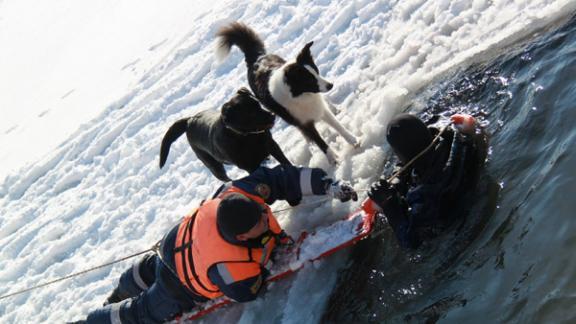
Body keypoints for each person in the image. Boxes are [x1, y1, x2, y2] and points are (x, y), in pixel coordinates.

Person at [73, 165, 357, 324]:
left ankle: (120, 290)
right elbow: (247, 292)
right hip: (179, 286)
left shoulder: (238, 192)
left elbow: (281, 179)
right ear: (243, 237)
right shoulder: (228, 265)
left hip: (175, 245)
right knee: (138, 314)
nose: (264, 214)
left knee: (147, 270)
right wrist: (269, 259)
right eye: (260, 221)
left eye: (261, 210)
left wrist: (327, 184)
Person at [367, 113, 485, 249]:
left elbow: (410, 243)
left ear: (400, 155)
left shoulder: (423, 197)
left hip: (457, 228)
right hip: (471, 188)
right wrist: (397, 179)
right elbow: (413, 153)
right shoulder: (454, 138)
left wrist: (389, 206)